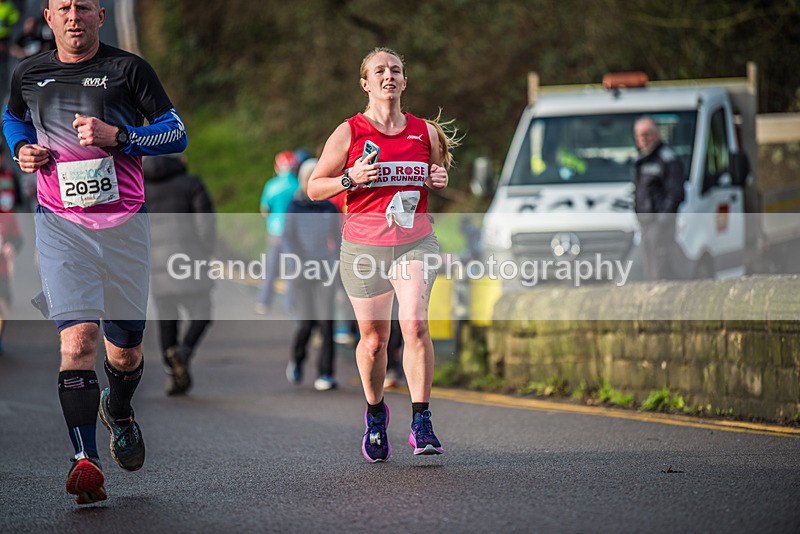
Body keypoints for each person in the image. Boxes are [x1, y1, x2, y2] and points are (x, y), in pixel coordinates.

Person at [2, 0, 187, 505]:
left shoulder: (129, 70)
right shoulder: (29, 72)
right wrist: (22, 149)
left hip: (125, 226)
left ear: (100, 16)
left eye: (84, 6)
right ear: (47, 16)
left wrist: (121, 137)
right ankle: (86, 459)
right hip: (61, 226)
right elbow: (12, 119)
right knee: (77, 341)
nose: (73, 15)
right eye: (63, 7)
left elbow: (176, 134)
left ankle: (120, 409)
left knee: (123, 353)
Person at [308, 47, 459, 462]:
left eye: (395, 70)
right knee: (374, 341)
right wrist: (348, 177)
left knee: (413, 325)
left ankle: (421, 421)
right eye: (380, 71)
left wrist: (438, 177)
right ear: (366, 83)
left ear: (405, 82)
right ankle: (375, 416)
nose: (388, 76)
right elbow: (315, 187)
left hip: (414, 242)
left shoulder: (424, 132)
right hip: (363, 247)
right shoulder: (350, 132)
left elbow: (435, 173)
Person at [143, 154, 215, 396]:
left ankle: (173, 376)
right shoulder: (191, 184)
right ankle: (184, 351)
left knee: (166, 321)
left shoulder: (141, 187)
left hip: (156, 264)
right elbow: (206, 223)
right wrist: (205, 251)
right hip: (189, 261)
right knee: (202, 313)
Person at [282, 157, 341, 391]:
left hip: (326, 270)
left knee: (327, 322)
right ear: (302, 181)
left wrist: (336, 261)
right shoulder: (294, 207)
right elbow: (288, 239)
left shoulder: (330, 207)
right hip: (302, 271)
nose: (311, 182)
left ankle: (325, 374)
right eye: (308, 178)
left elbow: (338, 239)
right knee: (307, 323)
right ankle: (297, 359)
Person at [633, 116, 686, 280]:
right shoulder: (640, 159)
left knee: (662, 261)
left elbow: (676, 192)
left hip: (660, 222)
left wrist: (664, 218)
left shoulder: (667, 159)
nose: (644, 139)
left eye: (647, 134)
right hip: (646, 221)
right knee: (649, 262)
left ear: (657, 135)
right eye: (640, 136)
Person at [255, 150, 298, 314]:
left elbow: (264, 209)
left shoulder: (272, 186)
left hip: (275, 231)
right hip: (293, 233)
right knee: (291, 268)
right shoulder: (298, 185)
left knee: (271, 267)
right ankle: (290, 303)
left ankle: (263, 301)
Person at [0, 208, 22, 355]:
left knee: (3, 306)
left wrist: (11, 246)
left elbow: (18, 239)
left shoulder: (7, 216)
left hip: (2, 270)